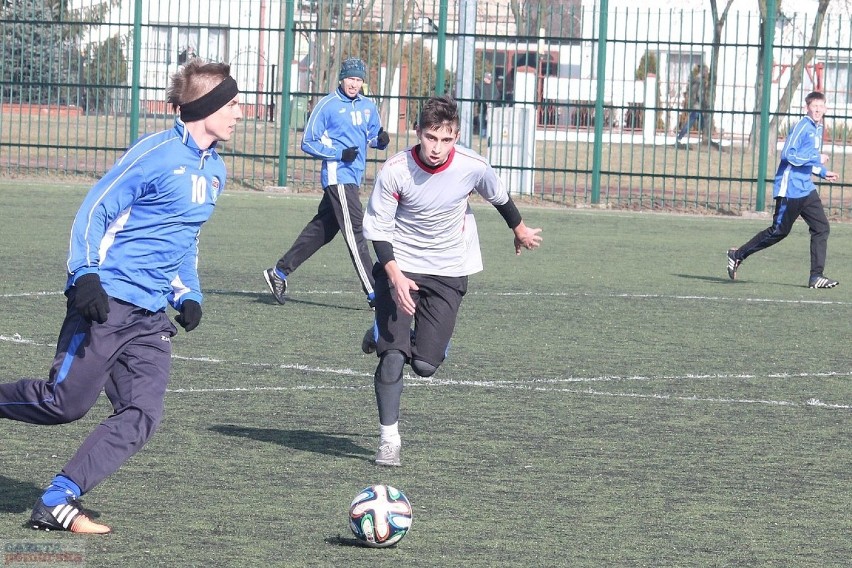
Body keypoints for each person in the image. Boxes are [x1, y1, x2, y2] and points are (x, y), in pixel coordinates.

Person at [0, 59, 242, 534]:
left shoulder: (216, 171)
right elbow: (94, 210)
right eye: (232, 103)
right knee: (64, 405)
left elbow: (184, 236)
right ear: (207, 106)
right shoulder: (153, 154)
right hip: (106, 302)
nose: (240, 113)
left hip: (151, 318)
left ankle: (57, 499)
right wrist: (85, 275)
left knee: (141, 415)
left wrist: (188, 292)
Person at [360, 95, 543, 467]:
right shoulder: (395, 170)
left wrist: (519, 228)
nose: (437, 148)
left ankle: (385, 331)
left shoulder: (472, 166)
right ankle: (389, 440)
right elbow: (377, 228)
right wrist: (393, 275)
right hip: (401, 266)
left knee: (425, 365)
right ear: (418, 133)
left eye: (446, 139)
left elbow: (499, 195)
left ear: (456, 137)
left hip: (449, 268)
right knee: (394, 357)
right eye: (430, 137)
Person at [264, 57, 390, 306]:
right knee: (356, 232)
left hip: (353, 178)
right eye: (350, 78)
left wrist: (382, 140)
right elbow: (308, 142)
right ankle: (375, 293)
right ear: (341, 78)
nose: (354, 84)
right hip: (338, 177)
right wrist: (339, 154)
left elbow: (373, 137)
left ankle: (279, 273)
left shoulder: (368, 106)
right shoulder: (328, 105)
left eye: (358, 79)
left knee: (322, 230)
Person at [726, 90, 839, 288]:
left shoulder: (817, 128)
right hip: (790, 190)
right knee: (778, 231)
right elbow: (788, 155)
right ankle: (737, 255)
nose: (818, 110)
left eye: (821, 106)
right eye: (815, 107)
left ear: (825, 108)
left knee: (821, 228)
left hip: (806, 189)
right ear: (807, 108)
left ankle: (816, 277)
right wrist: (816, 159)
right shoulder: (802, 126)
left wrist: (822, 172)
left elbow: (806, 158)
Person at [676, 64, 711, 145]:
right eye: (706, 71)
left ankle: (706, 139)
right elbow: (699, 94)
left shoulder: (695, 80)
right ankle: (679, 137)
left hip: (694, 104)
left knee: (703, 123)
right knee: (691, 122)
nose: (707, 73)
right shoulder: (700, 81)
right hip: (697, 106)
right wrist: (704, 103)